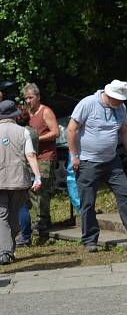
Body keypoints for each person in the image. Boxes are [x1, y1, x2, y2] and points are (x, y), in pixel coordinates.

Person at [66, 80, 127, 251]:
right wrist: (74, 156)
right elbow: (71, 129)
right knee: (88, 202)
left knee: (125, 195)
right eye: (119, 99)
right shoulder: (88, 104)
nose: (121, 103)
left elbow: (124, 131)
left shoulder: (120, 108)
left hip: (112, 161)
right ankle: (90, 240)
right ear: (109, 95)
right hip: (87, 162)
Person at [0, 100, 42, 265]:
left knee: (1, 216)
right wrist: (37, 177)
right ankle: (7, 250)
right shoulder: (23, 132)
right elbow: (30, 155)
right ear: (14, 116)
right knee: (13, 215)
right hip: (19, 180)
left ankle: (5, 250)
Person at [17, 83, 59, 241]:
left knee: (42, 190)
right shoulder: (27, 113)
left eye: (31, 97)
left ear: (38, 97)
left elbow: (55, 132)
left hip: (45, 156)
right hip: (31, 156)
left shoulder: (46, 111)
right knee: (30, 190)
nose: (28, 100)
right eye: (26, 98)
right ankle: (37, 219)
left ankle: (44, 220)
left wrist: (36, 139)